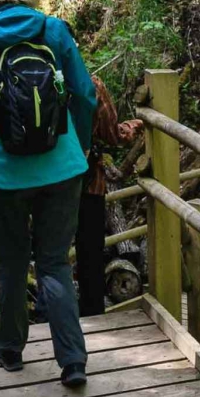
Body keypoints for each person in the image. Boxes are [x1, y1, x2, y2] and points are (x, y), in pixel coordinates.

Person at [0, 0, 96, 387]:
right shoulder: (53, 31)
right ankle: (72, 361)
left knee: (13, 262)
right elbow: (84, 94)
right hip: (63, 167)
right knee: (53, 263)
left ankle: (10, 350)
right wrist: (81, 144)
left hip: (9, 175)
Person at [75, 77, 142, 317]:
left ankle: (53, 322)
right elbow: (112, 134)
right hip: (88, 183)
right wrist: (135, 125)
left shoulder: (30, 77)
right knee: (90, 254)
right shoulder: (89, 83)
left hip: (45, 185)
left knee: (50, 257)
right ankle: (91, 317)